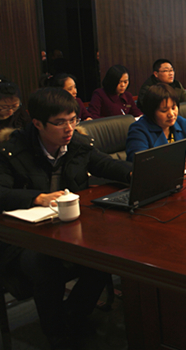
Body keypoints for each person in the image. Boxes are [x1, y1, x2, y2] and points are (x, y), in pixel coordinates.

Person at [0, 88, 131, 349]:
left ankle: (72, 316)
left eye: (73, 120)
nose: (69, 128)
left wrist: (136, 172)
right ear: (37, 123)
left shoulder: (77, 144)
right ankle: (56, 332)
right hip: (22, 239)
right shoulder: (12, 151)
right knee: (46, 264)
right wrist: (38, 197)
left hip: (67, 229)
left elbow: (106, 165)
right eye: (60, 122)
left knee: (104, 255)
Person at [126, 84, 186, 169]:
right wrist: (176, 160)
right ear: (151, 112)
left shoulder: (181, 122)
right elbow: (141, 162)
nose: (171, 114)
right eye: (164, 110)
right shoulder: (138, 130)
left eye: (173, 108)